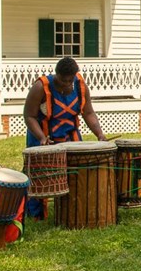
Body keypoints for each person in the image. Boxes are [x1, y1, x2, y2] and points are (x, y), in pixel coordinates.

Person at [23, 56, 107, 219]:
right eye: (63, 80)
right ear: (56, 74)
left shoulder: (81, 86)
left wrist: (100, 134)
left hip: (70, 135)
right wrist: (41, 137)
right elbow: (29, 116)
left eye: (70, 80)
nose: (67, 84)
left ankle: (73, 210)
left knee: (76, 173)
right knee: (39, 175)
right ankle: (36, 215)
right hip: (43, 134)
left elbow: (88, 112)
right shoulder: (41, 86)